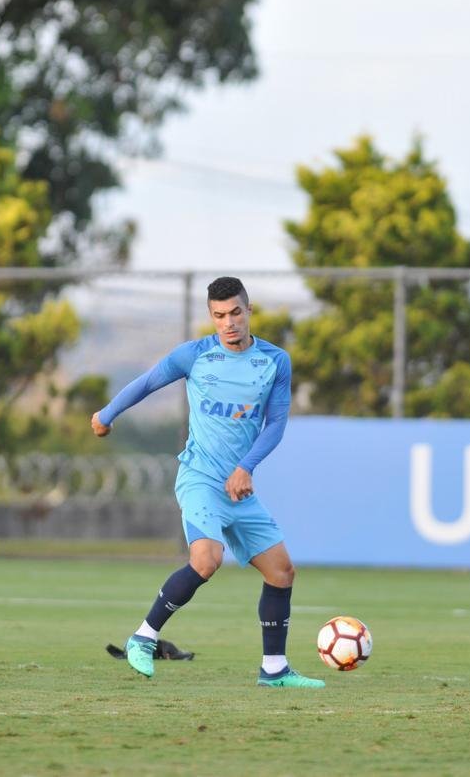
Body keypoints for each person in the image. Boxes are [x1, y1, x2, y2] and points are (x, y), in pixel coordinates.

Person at [91, 276, 324, 689]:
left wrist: (245, 467)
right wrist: (106, 415)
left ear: (249, 311)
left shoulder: (275, 361)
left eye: (235, 313)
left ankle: (274, 669)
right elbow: (147, 382)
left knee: (281, 571)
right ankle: (143, 637)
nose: (228, 323)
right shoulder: (194, 355)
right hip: (200, 478)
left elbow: (275, 425)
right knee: (206, 560)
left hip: (239, 486)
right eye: (219, 316)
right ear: (211, 317)